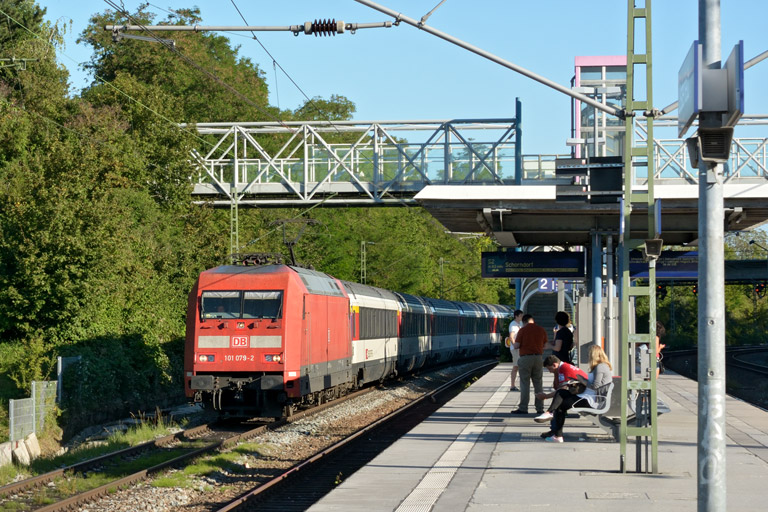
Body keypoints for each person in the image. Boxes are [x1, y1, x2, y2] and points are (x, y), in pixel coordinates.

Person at [535, 346, 613, 443]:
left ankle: (557, 434)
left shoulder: (601, 366)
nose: (588, 357)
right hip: (588, 397)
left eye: (589, 355)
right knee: (560, 393)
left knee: (560, 406)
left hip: (591, 400)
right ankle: (550, 416)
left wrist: (582, 380)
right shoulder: (600, 367)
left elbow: (596, 386)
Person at [510, 314, 548, 415]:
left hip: (525, 358)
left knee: (524, 383)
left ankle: (523, 408)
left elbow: (517, 345)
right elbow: (545, 345)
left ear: (524, 321)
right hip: (538, 358)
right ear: (533, 320)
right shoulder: (541, 329)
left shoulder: (523, 330)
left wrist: (513, 343)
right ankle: (540, 408)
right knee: (538, 383)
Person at [507, 309, 524, 391]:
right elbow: (511, 336)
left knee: (518, 366)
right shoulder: (513, 325)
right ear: (516, 316)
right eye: (520, 316)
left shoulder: (520, 324)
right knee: (516, 366)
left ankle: (517, 385)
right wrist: (515, 345)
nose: (522, 317)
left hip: (519, 348)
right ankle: (512, 385)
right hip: (515, 349)